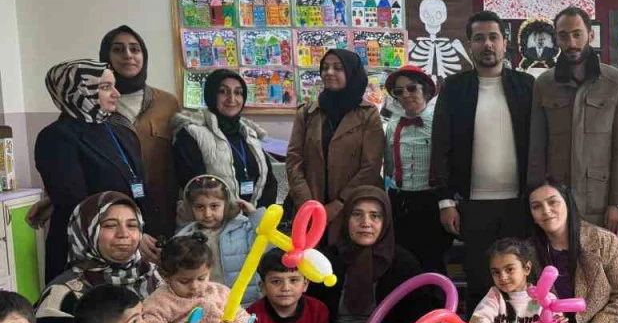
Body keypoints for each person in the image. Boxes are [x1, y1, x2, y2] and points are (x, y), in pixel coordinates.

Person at [432, 11, 533, 313]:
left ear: (504, 43)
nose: (487, 44)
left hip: (519, 203)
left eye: (493, 37)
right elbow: (441, 145)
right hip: (472, 205)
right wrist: (445, 201)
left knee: (519, 279)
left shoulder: (526, 85)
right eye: (479, 38)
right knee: (479, 277)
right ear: (470, 45)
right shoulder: (454, 87)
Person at [34, 59, 162, 282]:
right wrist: (131, 235)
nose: (116, 94)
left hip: (130, 246)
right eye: (105, 87)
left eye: (113, 86)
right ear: (77, 91)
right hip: (87, 254)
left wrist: (140, 231)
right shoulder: (56, 137)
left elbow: (135, 183)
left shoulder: (120, 130)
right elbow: (74, 201)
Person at [528, 6, 618, 231]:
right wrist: (537, 199)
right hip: (556, 201)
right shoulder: (544, 84)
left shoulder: (616, 82)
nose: (571, 42)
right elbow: (537, 147)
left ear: (590, 35)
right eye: (563, 36)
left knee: (598, 254)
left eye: (577, 34)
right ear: (556, 39)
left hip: (600, 201)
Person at [35, 192, 162, 323]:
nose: (124, 234)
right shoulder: (62, 295)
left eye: (132, 225)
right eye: (110, 225)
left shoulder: (154, 275)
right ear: (84, 231)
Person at [286, 48, 385, 231]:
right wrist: (308, 204)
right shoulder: (307, 113)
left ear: (352, 73)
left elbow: (371, 166)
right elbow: (294, 161)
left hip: (354, 208)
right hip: (310, 209)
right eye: (325, 67)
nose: (329, 72)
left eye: (338, 68)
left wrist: (339, 204)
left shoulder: (368, 115)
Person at [316, 187, 431, 323]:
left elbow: (419, 317)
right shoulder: (326, 261)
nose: (366, 223)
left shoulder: (403, 263)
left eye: (375, 216)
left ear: (386, 222)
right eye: (357, 214)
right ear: (346, 219)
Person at [99, 25, 181, 236]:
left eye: (135, 49)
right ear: (106, 57)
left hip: (163, 213)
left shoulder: (167, 103)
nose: (128, 55)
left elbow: (181, 159)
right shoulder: (93, 104)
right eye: (118, 50)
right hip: (111, 217)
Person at [527, 178, 618, 323]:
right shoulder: (527, 253)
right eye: (536, 206)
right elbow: (522, 300)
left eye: (553, 202)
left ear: (568, 204)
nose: (546, 210)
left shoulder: (605, 241)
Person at [172, 69, 278, 210]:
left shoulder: (249, 133)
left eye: (238, 92)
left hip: (253, 219)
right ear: (211, 94)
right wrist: (229, 218)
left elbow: (268, 181)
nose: (232, 99)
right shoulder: (191, 133)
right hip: (211, 220)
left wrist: (259, 216)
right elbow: (194, 188)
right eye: (223, 91)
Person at [382, 65, 452, 278]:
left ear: (425, 91)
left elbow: (448, 163)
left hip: (431, 201)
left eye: (412, 88)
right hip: (400, 201)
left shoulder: (440, 122)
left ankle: (437, 298)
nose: (406, 94)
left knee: (432, 261)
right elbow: (389, 165)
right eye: (399, 91)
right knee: (402, 261)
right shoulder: (392, 125)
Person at [141, 235, 248, 323]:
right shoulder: (159, 301)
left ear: (209, 271)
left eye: (201, 278)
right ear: (166, 277)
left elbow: (243, 316)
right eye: (184, 281)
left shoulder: (221, 292)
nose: (194, 286)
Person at [175, 175, 265, 304]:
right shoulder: (184, 237)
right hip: (208, 307)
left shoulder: (244, 228)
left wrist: (255, 216)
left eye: (214, 206)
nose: (207, 214)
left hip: (246, 304)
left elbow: (268, 249)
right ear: (190, 208)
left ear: (227, 205)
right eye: (199, 207)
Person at [470, 238, 552, 323]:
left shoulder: (545, 297)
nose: (502, 277)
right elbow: (477, 320)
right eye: (496, 272)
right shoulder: (495, 295)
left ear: (527, 268)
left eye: (509, 269)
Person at [246, 248, 330, 323]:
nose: (286, 288)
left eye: (293, 280)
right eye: (276, 281)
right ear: (262, 287)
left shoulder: (318, 311)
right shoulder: (251, 317)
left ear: (305, 285)